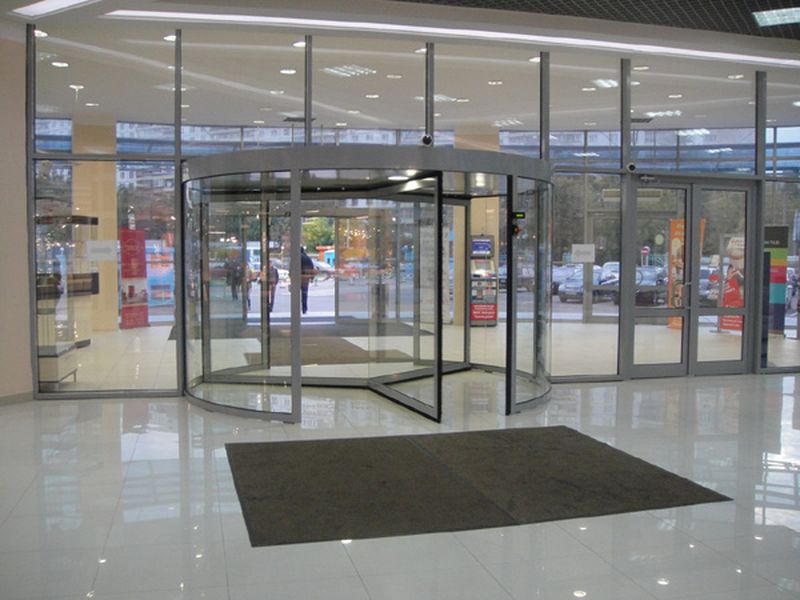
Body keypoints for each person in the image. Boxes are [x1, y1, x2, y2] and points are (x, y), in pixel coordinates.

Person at [300, 246, 315, 314]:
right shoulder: (307, 258)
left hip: (298, 277)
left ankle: (296, 309)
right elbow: (311, 267)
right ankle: (304, 308)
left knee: (296, 294)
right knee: (304, 293)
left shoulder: (296, 257)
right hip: (305, 278)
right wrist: (312, 277)